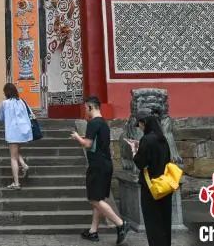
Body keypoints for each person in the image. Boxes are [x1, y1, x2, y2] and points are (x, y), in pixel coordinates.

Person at [71, 96, 130, 244]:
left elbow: (87, 144)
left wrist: (77, 137)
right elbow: (97, 141)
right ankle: (93, 231)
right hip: (106, 164)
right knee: (99, 199)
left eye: (86, 108)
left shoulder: (92, 123)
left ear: (91, 107)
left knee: (94, 199)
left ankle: (121, 224)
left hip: (97, 165)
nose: (85, 111)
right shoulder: (103, 123)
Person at [126, 113, 172, 246]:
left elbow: (141, 163)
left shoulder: (146, 139)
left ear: (144, 123)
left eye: (140, 124)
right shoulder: (162, 139)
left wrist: (134, 150)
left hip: (150, 187)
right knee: (164, 220)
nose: (140, 128)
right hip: (164, 185)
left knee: (152, 221)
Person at [0, 83, 32, 190]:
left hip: (12, 132)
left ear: (6, 92)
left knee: (13, 157)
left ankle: (16, 183)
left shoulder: (5, 103)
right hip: (23, 131)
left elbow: (0, 117)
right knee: (16, 152)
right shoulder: (22, 101)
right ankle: (24, 165)